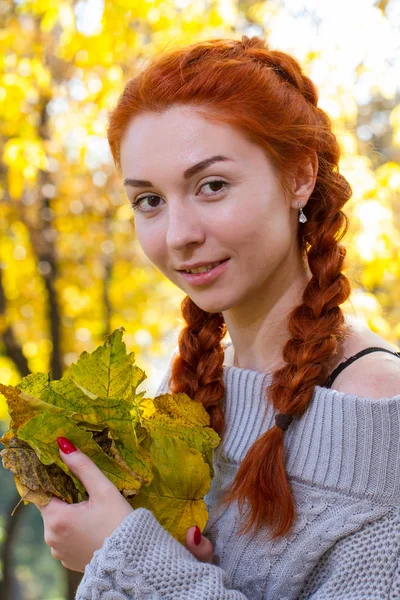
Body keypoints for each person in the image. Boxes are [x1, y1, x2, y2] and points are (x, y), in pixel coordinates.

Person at [36, 36, 400, 599]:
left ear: (299, 176)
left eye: (212, 186)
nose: (178, 235)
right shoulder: (185, 390)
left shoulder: (379, 416)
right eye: (148, 201)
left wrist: (126, 556)